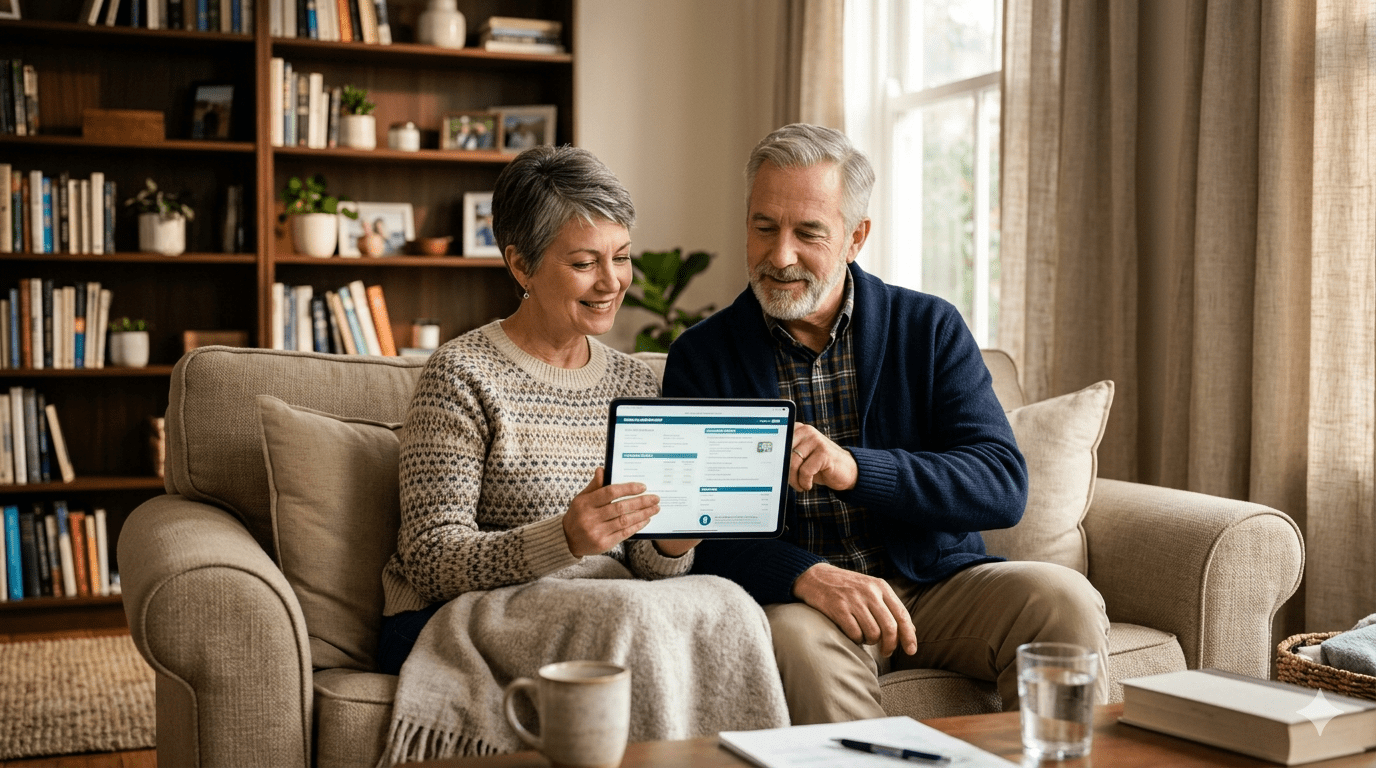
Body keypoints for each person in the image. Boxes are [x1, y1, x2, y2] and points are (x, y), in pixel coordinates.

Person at [663, 123, 1110, 724]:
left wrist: (856, 469)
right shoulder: (704, 356)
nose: (779, 255)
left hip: (937, 589)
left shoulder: (929, 328)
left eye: (808, 233)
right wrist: (806, 575)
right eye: (763, 227)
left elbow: (1002, 485)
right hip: (808, 601)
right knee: (796, 641)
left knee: (1065, 601)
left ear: (856, 237)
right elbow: (690, 537)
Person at [376, 145, 787, 761]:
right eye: (583, 263)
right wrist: (564, 538)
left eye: (620, 257)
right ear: (521, 264)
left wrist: (674, 539)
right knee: (630, 616)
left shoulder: (634, 383)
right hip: (469, 612)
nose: (611, 282)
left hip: (606, 599)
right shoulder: (461, 375)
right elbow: (431, 560)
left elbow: (648, 567)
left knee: (728, 602)